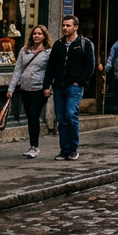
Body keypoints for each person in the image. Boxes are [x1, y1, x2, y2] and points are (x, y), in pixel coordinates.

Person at [41, 15, 95, 160]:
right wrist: (47, 85)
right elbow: (51, 67)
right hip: (59, 87)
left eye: (68, 26)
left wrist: (80, 81)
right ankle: (64, 150)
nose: (65, 28)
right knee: (61, 119)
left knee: (71, 115)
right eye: (63, 25)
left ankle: (73, 149)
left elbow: (90, 66)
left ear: (75, 27)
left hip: (74, 87)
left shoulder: (85, 43)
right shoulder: (58, 45)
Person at [6, 25, 51, 158]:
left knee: (33, 115)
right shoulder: (24, 51)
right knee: (30, 118)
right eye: (34, 33)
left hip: (40, 89)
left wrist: (49, 87)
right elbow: (18, 70)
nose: (36, 36)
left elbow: (51, 71)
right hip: (25, 89)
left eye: (39, 34)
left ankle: (34, 147)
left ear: (44, 36)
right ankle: (32, 146)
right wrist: (11, 88)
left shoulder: (48, 52)